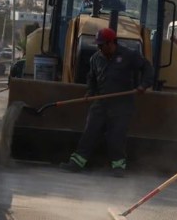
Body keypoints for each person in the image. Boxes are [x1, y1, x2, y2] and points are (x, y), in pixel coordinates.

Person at [59, 28, 153, 177]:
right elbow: (92, 78)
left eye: (101, 45)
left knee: (116, 136)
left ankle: (118, 167)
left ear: (111, 43)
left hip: (122, 104)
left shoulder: (129, 55)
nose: (99, 48)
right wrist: (90, 93)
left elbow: (147, 68)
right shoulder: (96, 59)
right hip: (101, 101)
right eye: (98, 45)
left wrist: (143, 85)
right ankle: (77, 163)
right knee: (90, 132)